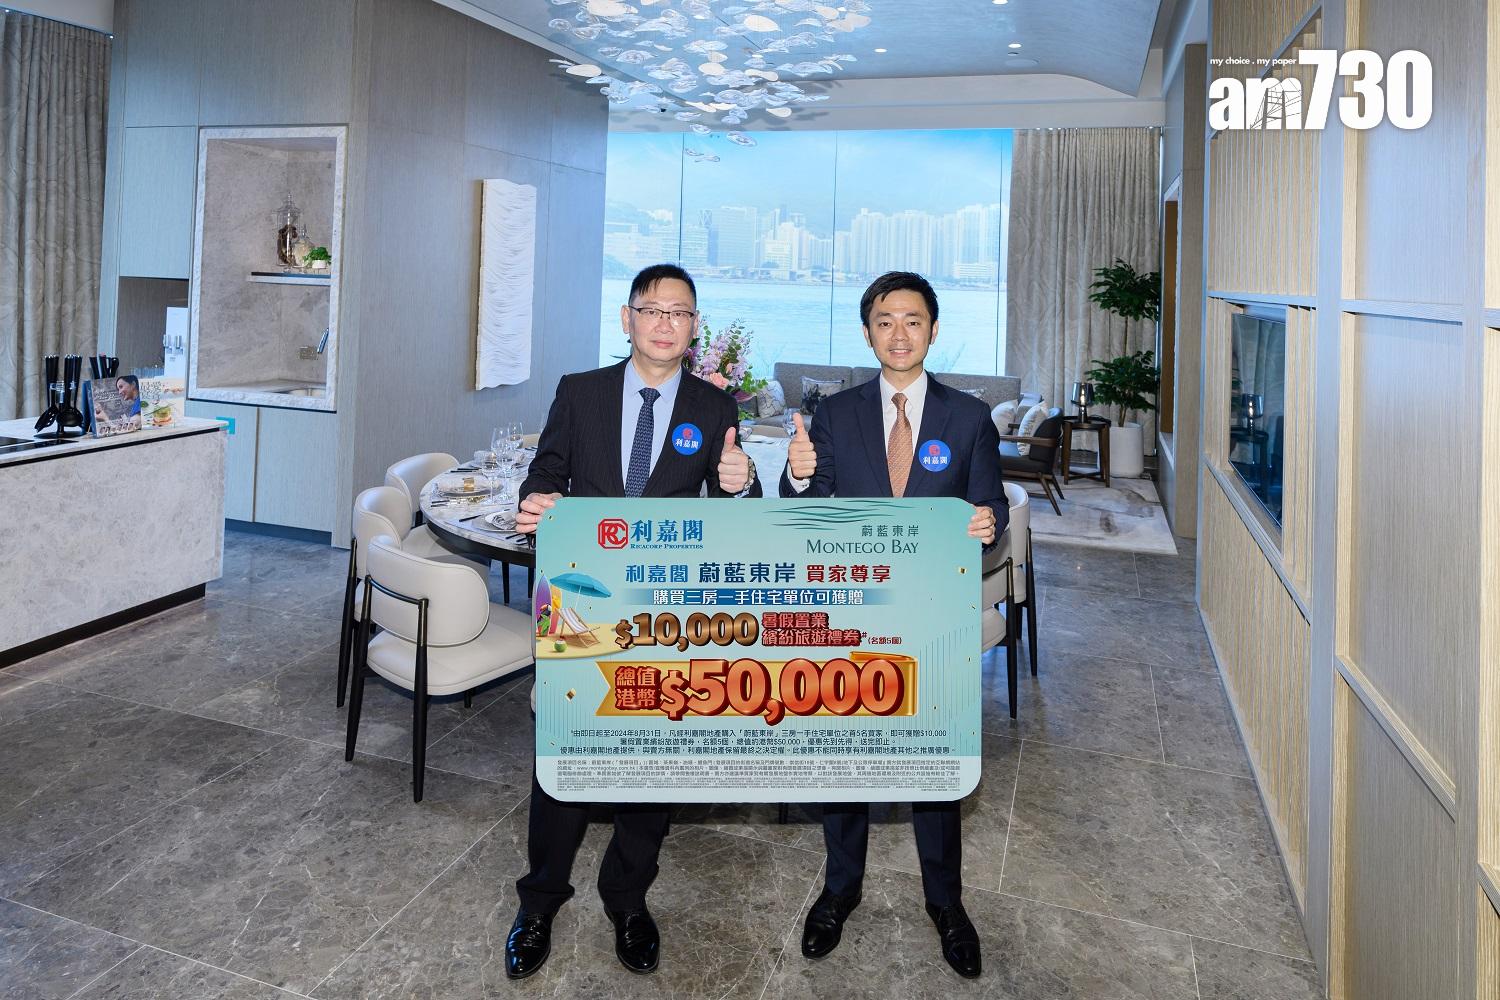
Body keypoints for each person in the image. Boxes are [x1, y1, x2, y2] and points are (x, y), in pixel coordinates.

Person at [505, 263, 762, 980]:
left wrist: (741, 485)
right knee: (564, 749)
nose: (664, 323)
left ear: (694, 328)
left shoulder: (714, 405)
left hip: (665, 608)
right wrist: (537, 501)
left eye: (680, 313)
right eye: (652, 309)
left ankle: (628, 897)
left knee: (654, 753)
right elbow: (545, 472)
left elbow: (739, 509)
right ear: (627, 318)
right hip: (578, 598)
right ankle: (539, 901)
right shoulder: (580, 390)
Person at [779, 271, 1005, 979]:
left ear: (933, 330)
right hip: (852, 616)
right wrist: (796, 475)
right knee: (846, 756)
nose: (899, 334)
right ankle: (839, 890)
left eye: (912, 320)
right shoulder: (834, 413)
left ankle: (946, 903)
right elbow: (808, 509)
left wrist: (988, 523)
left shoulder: (969, 418)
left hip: (933, 619)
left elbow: (991, 508)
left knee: (933, 765)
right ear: (867, 332)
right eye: (884, 321)